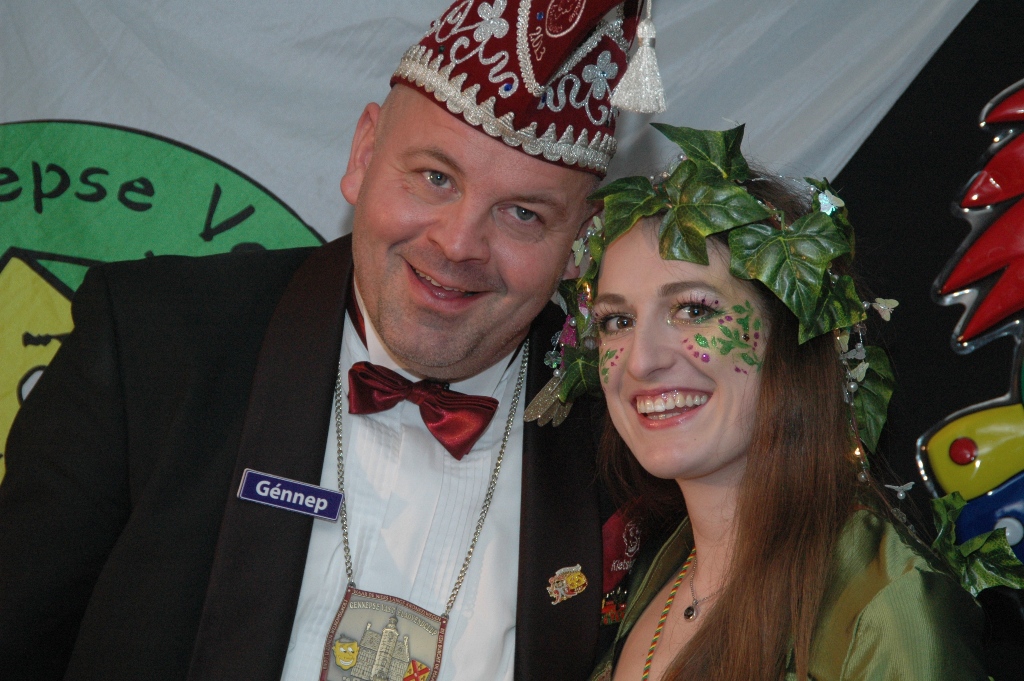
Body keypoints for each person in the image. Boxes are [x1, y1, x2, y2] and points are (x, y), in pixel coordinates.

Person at [0, 2, 652, 680]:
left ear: (582, 239)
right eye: (435, 177)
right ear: (364, 154)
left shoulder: (627, 440)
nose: (459, 244)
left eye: (522, 213)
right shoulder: (152, 341)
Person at [536, 124, 990, 680]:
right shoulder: (662, 567)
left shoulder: (883, 603)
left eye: (693, 310)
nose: (641, 360)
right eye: (617, 321)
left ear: (792, 335)